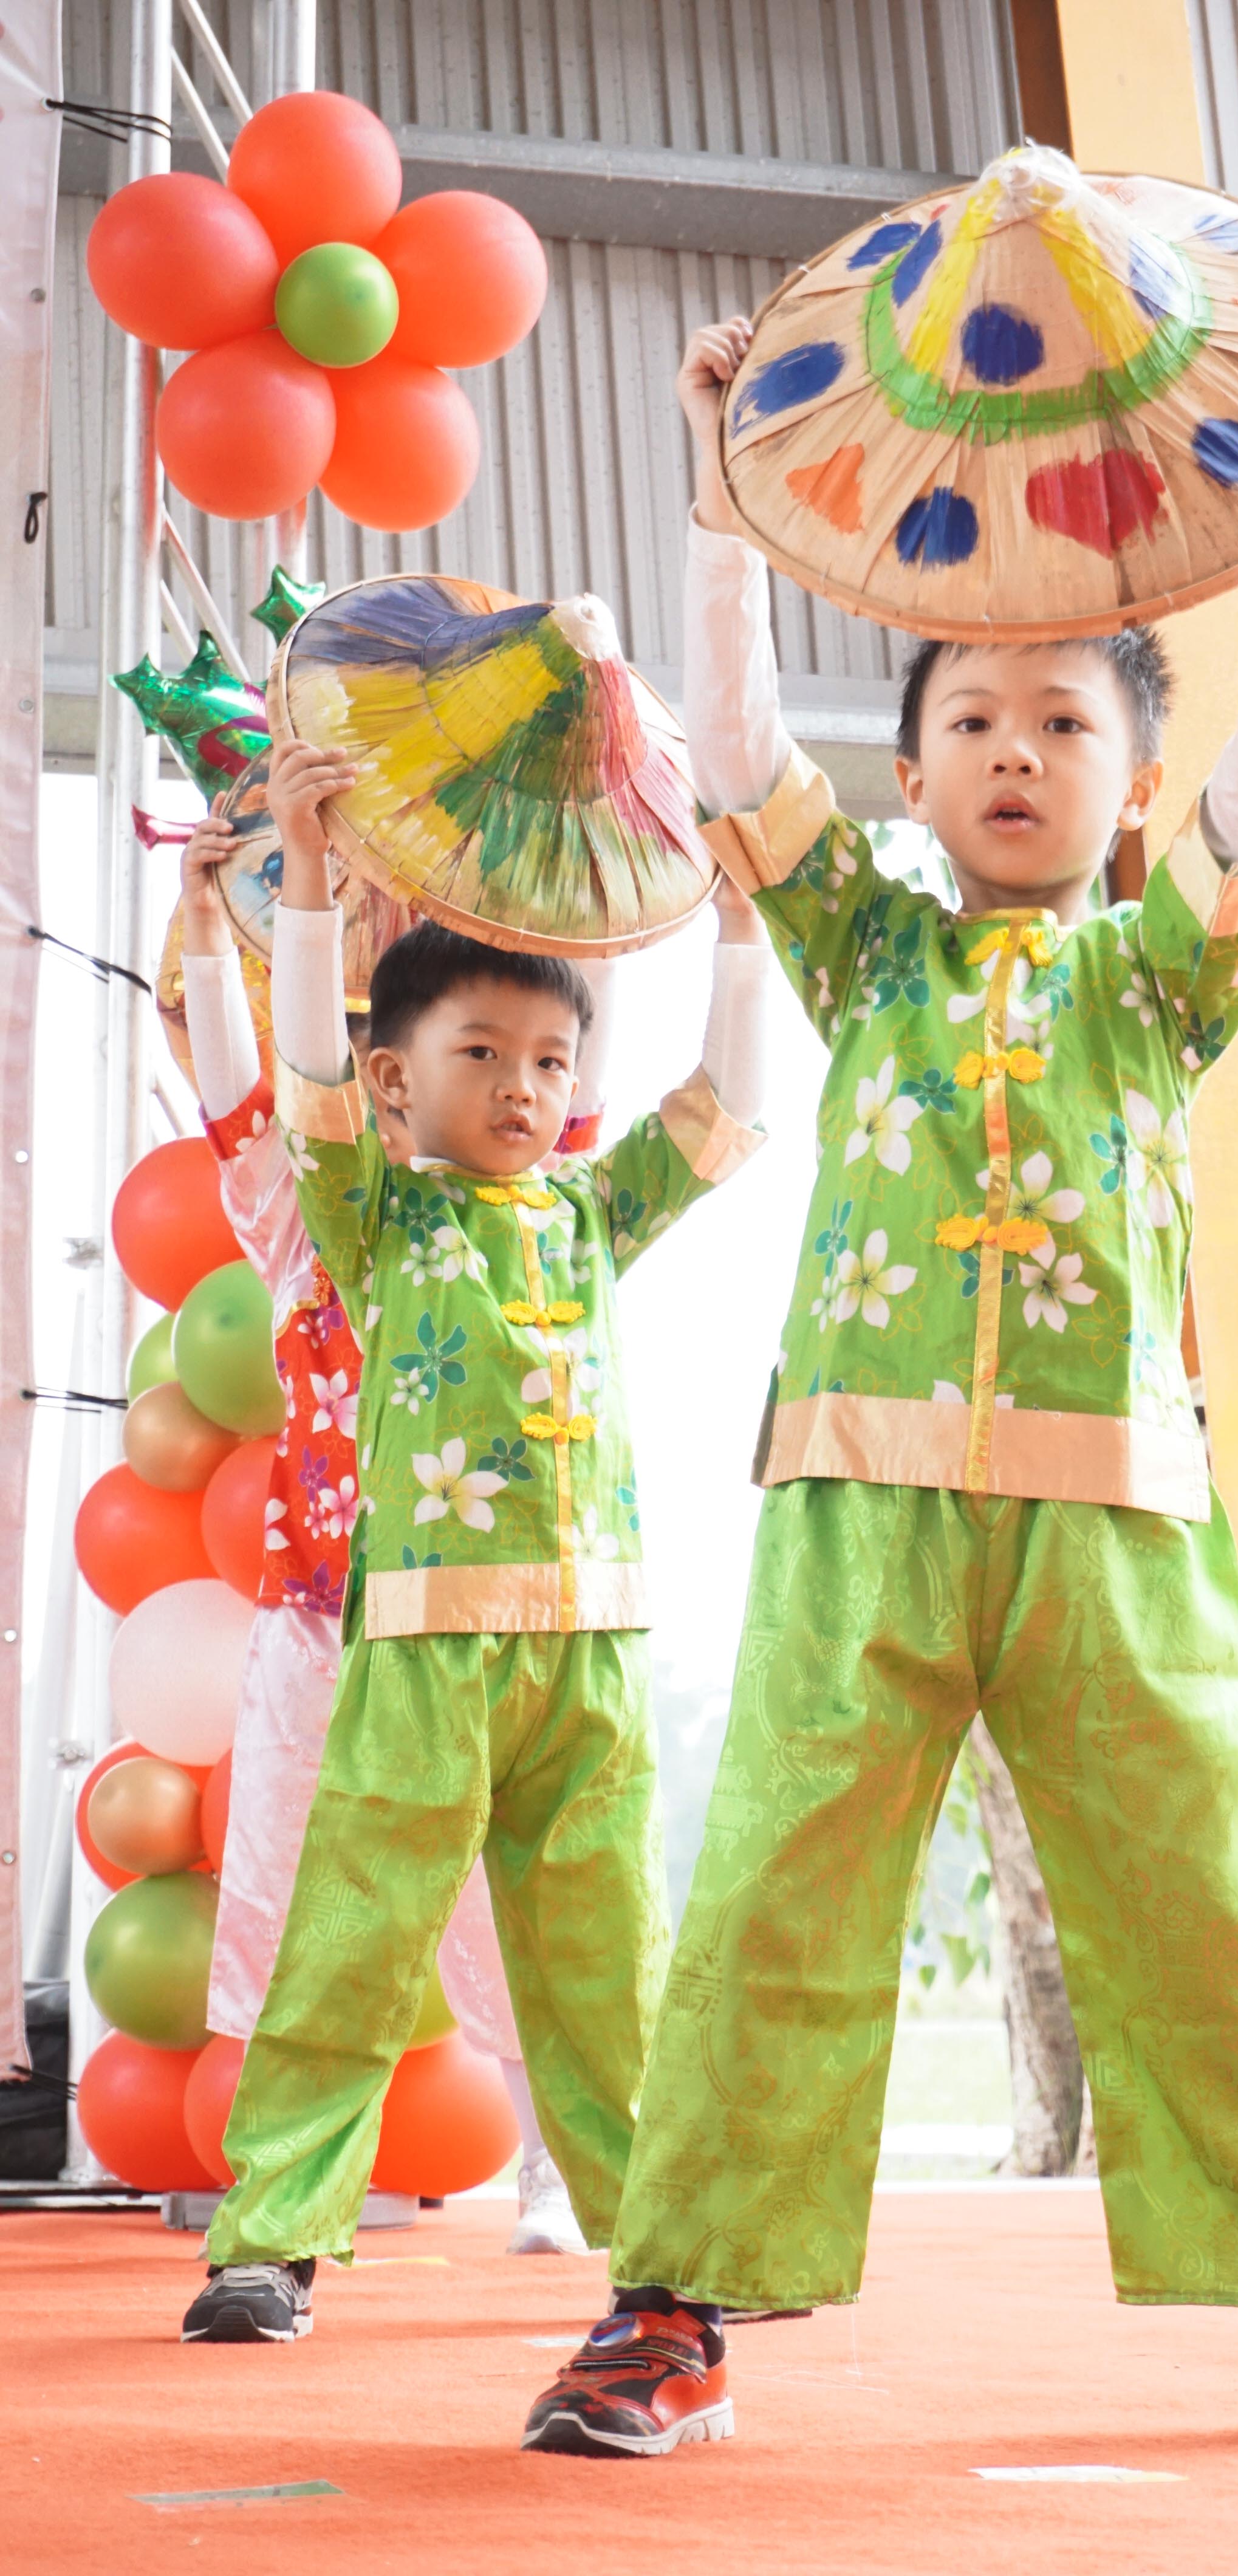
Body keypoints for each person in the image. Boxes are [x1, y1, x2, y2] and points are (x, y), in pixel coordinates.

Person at [520, 319, 1238, 2458]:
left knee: (1201, 1899)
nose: (1016, 748)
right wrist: (722, 500)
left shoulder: (1166, 972)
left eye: (1064, 719)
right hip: (852, 1508)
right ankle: (669, 2311)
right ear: (916, 780)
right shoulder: (864, 953)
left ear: (1133, 787)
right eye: (970, 718)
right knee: (775, 1887)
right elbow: (736, 751)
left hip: (1115, 1515)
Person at [180, 714, 771, 2344]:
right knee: (352, 1939)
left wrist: (738, 923)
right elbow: (301, 1081)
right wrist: (308, 879)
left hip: (590, 1650)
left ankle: (665, 2235)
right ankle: (272, 2239)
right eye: (483, 1054)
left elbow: (728, 1104)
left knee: (610, 1957)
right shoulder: (370, 1215)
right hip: (420, 1644)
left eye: (551, 1063)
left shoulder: (593, 1211)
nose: (524, 1086)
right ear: (395, 1079)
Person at [176, 814, 607, 2259]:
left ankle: (557, 2163)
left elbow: (573, 1045)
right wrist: (213, 927)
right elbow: (246, 1092)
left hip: (469, 1616)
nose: (508, 1083)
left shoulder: (521, 1223)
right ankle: (278, 2191)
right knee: (281, 1893)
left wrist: (581, 885)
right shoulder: (304, 1223)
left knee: (505, 1902)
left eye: (522, 1064)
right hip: (320, 1614)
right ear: (382, 1079)